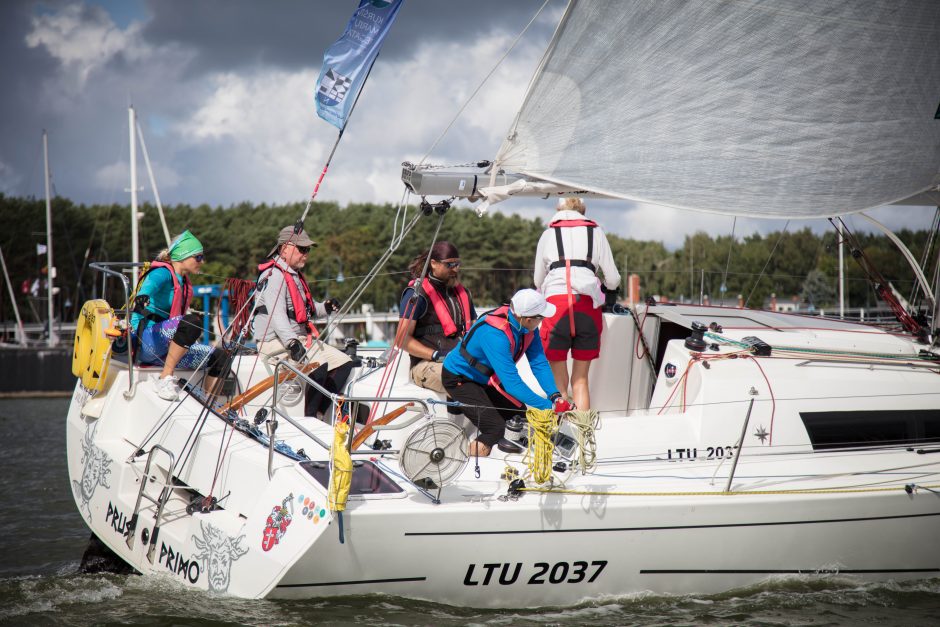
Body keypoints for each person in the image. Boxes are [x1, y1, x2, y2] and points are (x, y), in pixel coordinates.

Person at [442, 289, 571, 457]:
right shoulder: (495, 334)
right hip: (460, 379)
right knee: (494, 428)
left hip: (488, 379)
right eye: (542, 317)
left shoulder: (528, 328)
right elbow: (512, 384)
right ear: (528, 319)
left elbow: (538, 363)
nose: (543, 321)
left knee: (523, 419)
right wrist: (548, 407)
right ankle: (453, 459)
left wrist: (555, 396)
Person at [252, 225, 352, 418]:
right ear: (284, 248)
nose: (306, 254)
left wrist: (326, 308)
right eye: (302, 249)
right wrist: (292, 343)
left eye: (308, 250)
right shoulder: (273, 276)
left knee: (344, 363)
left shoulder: (294, 276)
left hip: (297, 339)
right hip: (274, 342)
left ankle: (321, 414)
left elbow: (308, 310)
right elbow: (277, 315)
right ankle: (310, 419)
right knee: (319, 366)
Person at [533, 197, 621, 410]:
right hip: (587, 307)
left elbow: (538, 280)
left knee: (558, 383)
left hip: (556, 308)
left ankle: (561, 433)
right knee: (580, 380)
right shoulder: (596, 232)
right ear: (583, 210)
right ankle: (583, 436)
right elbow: (614, 279)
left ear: (558, 209)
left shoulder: (548, 234)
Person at [131, 230, 230, 401]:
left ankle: (209, 404)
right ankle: (164, 378)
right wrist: (143, 295)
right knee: (193, 322)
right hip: (145, 343)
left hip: (165, 348)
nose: (202, 261)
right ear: (183, 256)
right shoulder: (162, 273)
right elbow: (151, 284)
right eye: (198, 257)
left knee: (221, 357)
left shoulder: (184, 282)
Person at [398, 241, 477, 394]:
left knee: (495, 380)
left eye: (458, 264)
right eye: (450, 265)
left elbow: (475, 330)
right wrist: (435, 355)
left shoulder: (464, 294)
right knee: (464, 383)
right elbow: (402, 339)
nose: (456, 269)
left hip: (460, 362)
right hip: (425, 364)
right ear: (433, 263)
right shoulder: (417, 294)